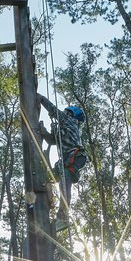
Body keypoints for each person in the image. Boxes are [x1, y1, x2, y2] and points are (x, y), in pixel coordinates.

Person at [37, 93, 86, 232]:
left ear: (71, 114)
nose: (63, 114)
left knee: (65, 178)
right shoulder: (63, 128)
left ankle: (63, 217)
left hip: (76, 157)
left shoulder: (70, 121)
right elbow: (52, 140)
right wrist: (44, 131)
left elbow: (53, 109)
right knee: (48, 178)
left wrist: (40, 98)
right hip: (66, 160)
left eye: (66, 112)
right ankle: (49, 199)